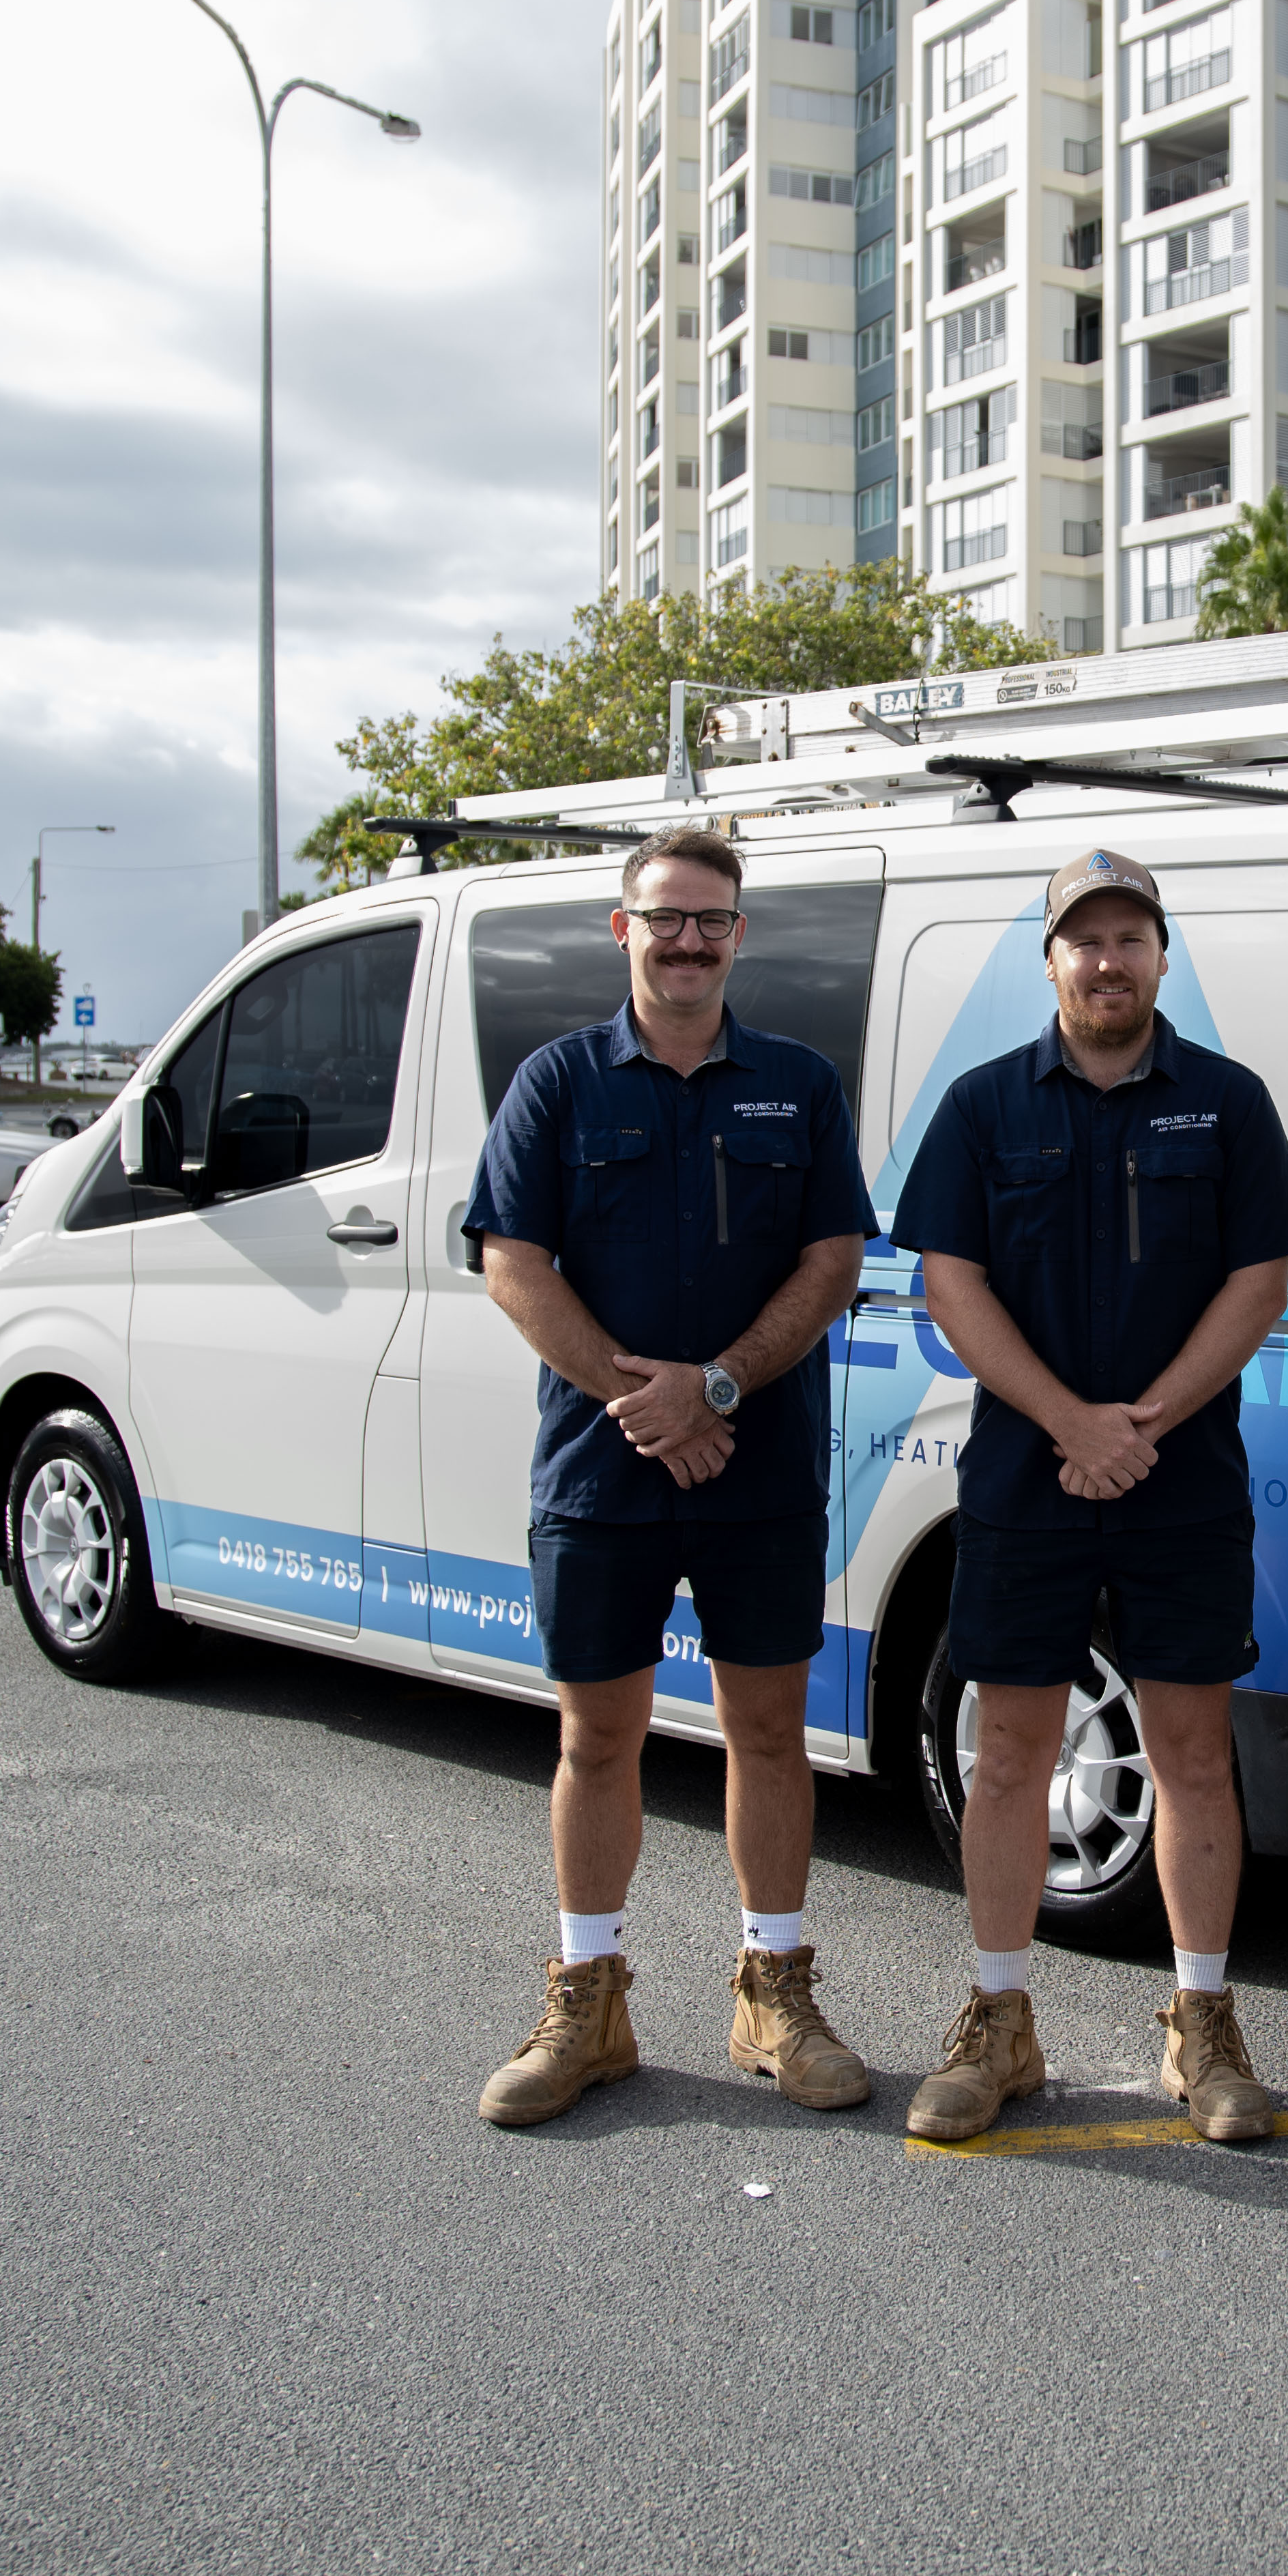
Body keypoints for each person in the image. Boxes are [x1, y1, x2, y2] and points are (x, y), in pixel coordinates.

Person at [893, 848, 1288, 2144]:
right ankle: (998, 2020)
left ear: (1161, 957)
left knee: (1192, 1751)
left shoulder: (1230, 1103)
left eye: (1131, 938)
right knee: (1012, 1750)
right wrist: (1073, 1423)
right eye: (1085, 940)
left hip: (1182, 1477)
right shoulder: (980, 1108)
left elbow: (1259, 1284)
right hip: (1027, 1474)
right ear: (1052, 961)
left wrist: (1144, 1424)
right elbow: (947, 1285)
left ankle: (1203, 2023)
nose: (1107, 960)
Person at [464, 825, 873, 2128]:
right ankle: (589, 2002)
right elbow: (512, 1263)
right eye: (666, 918)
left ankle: (775, 1991)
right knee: (600, 1736)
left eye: (713, 919)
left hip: (756, 1464)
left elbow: (831, 1261)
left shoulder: (799, 1084)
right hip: (603, 1473)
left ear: (739, 936)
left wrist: (720, 1388)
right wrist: (644, 1401)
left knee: (768, 1730)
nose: (689, 940)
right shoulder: (558, 1083)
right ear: (624, 930)